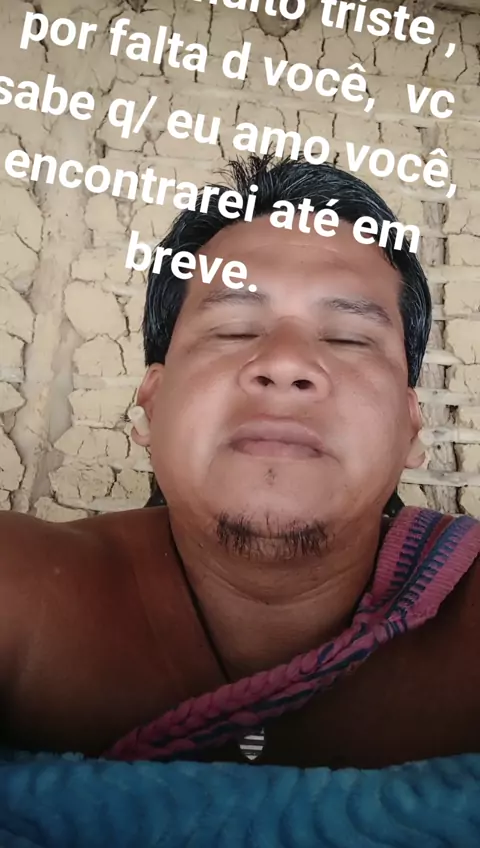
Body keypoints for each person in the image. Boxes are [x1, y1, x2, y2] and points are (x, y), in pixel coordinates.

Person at [1, 153, 480, 770]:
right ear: (152, 402)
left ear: (412, 425)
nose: (285, 364)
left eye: (348, 337)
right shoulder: (21, 592)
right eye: (232, 329)